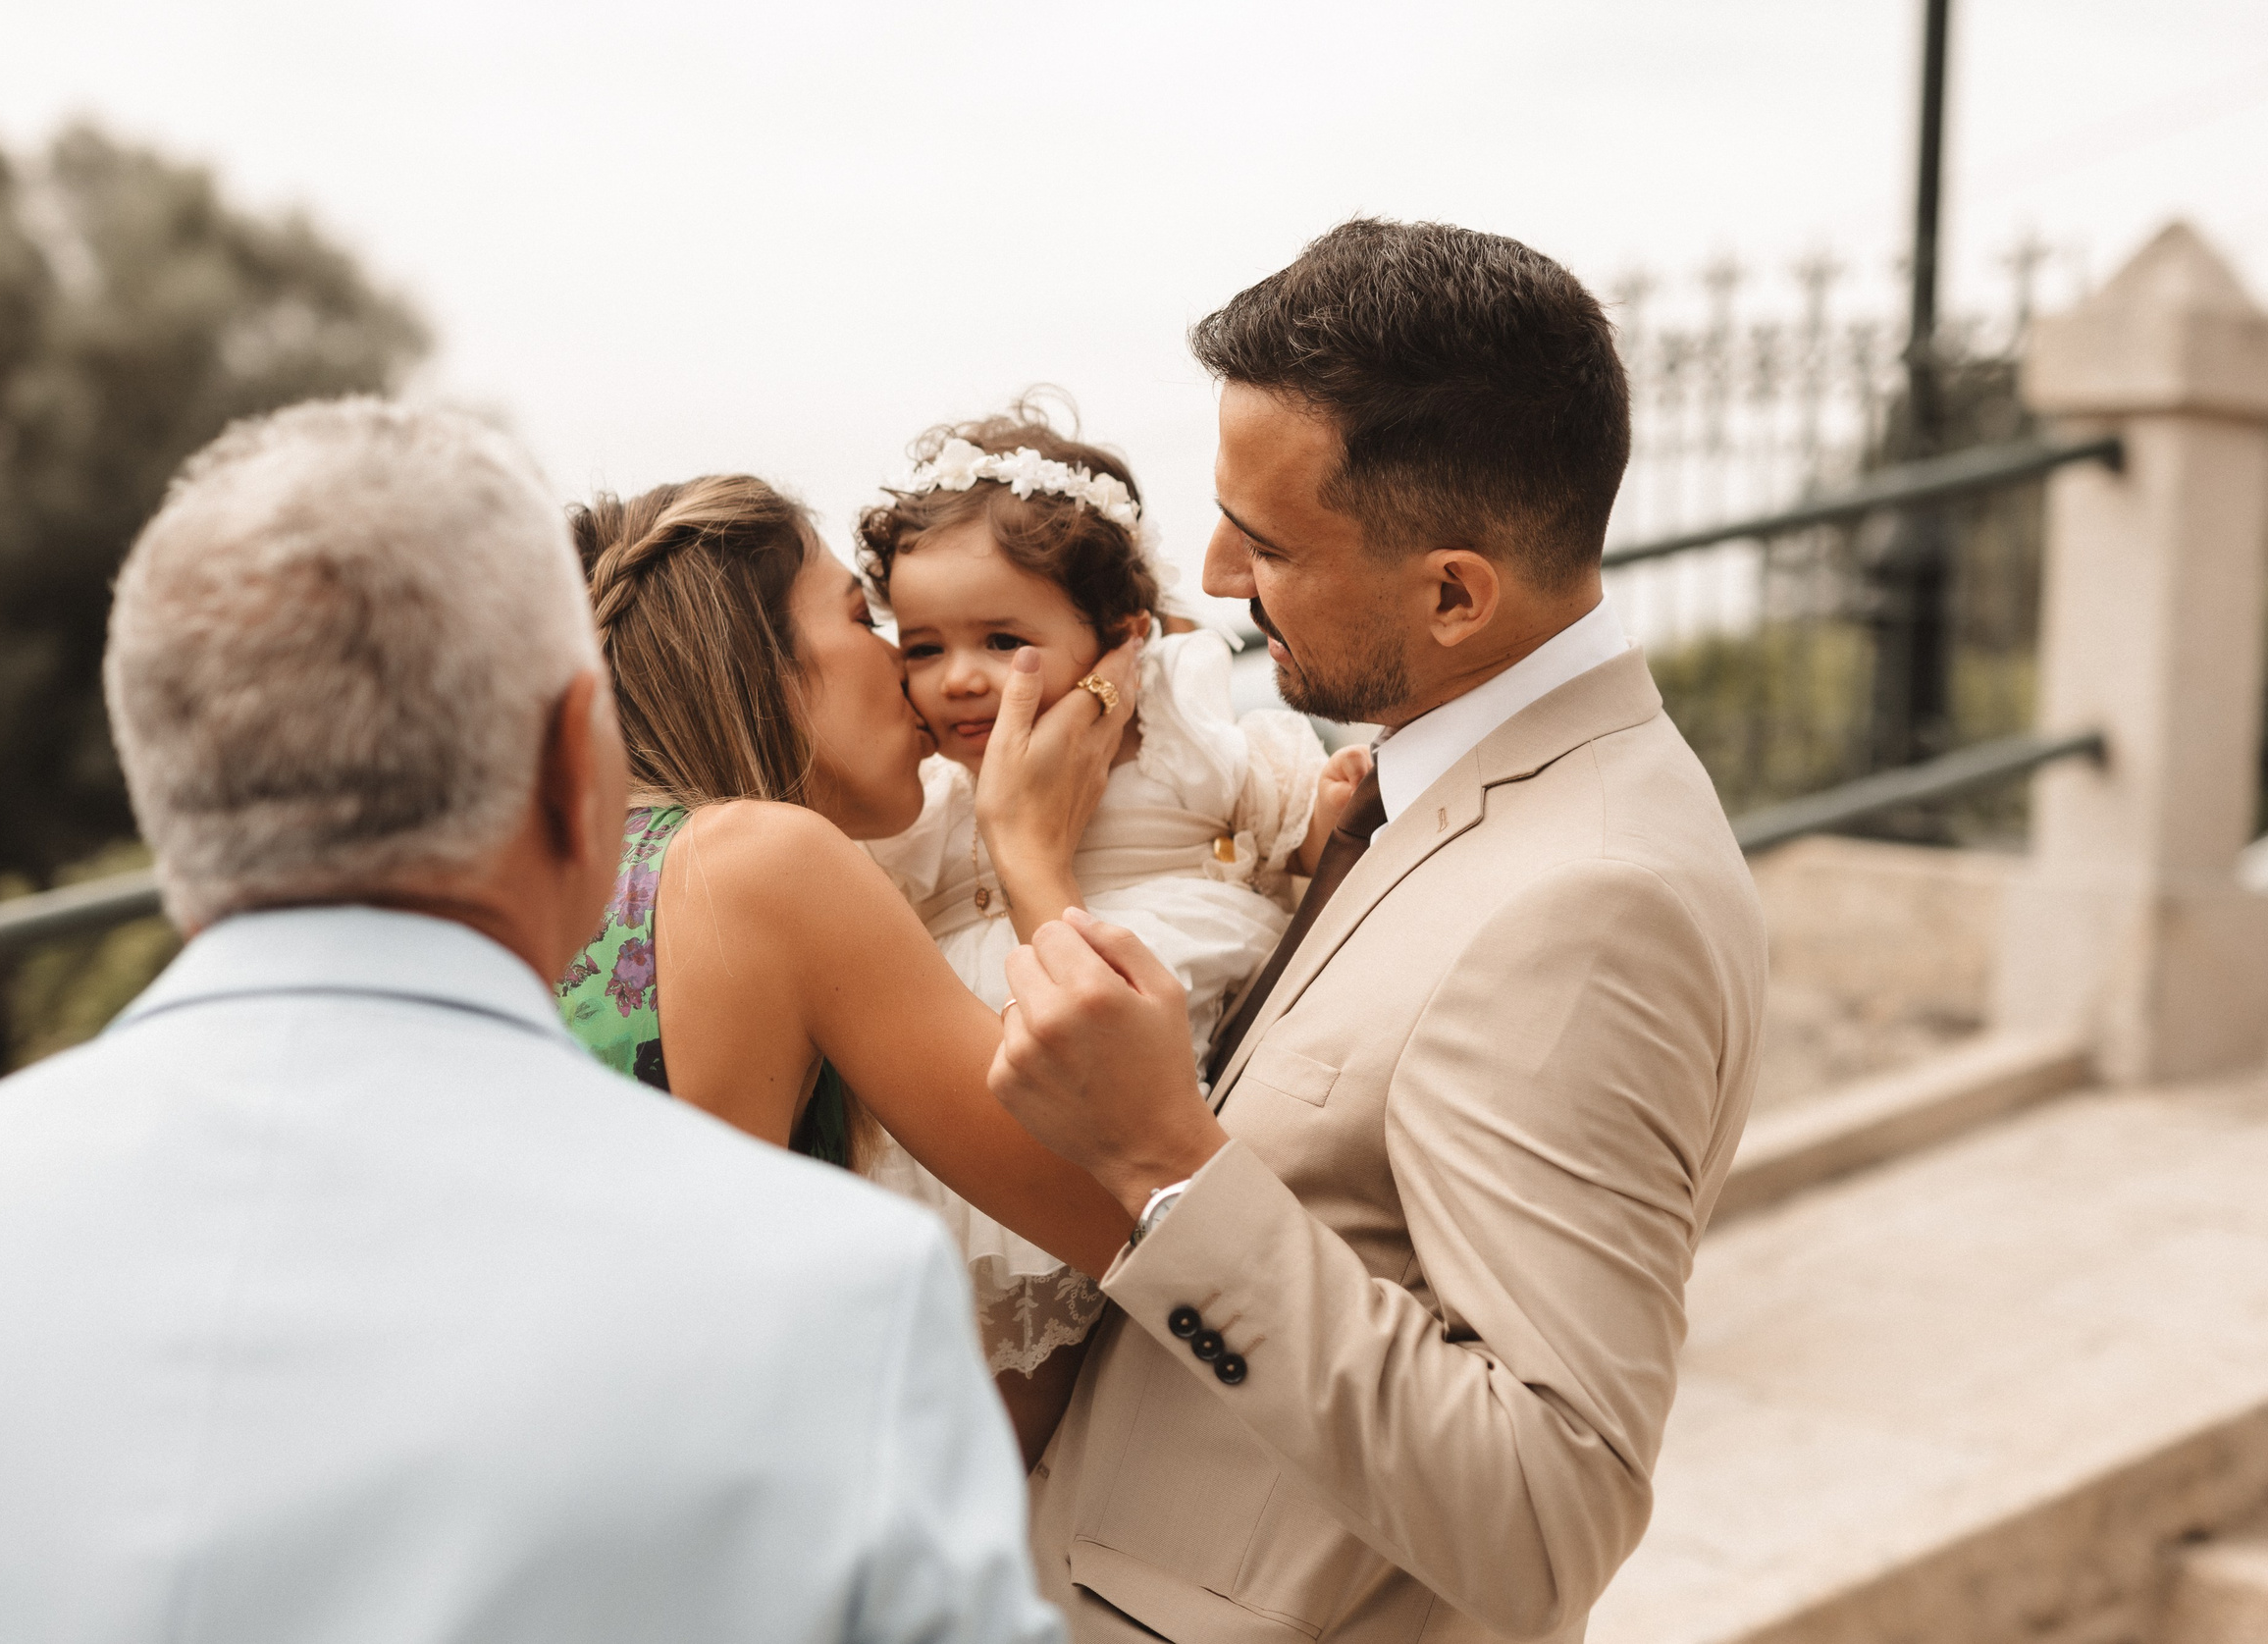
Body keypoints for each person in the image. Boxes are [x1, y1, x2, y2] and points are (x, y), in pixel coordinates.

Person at [0, 399, 1065, 1644]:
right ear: (576, 756)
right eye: (864, 614)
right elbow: (1119, 1196)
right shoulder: (839, 1293)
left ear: (159, 775)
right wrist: (1041, 864)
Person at [989, 221, 1769, 1643]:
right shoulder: (1409, 786)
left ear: (1458, 593)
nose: (1216, 572)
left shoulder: (1594, 898)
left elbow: (1549, 1512)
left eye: (1270, 540)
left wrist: (1167, 1157)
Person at [557, 474, 1136, 1464]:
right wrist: (1032, 857)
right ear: (756, 658)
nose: (900, 661)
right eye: (860, 616)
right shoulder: (752, 863)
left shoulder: (550, 881)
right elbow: (1134, 1209)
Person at [850, 404, 1366, 1396]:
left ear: (1117, 638)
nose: (959, 679)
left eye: (1003, 640)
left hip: (1157, 1028)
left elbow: (1286, 811)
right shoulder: (931, 798)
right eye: (920, 648)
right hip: (999, 1074)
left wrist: (1324, 811)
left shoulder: (1175, 737)